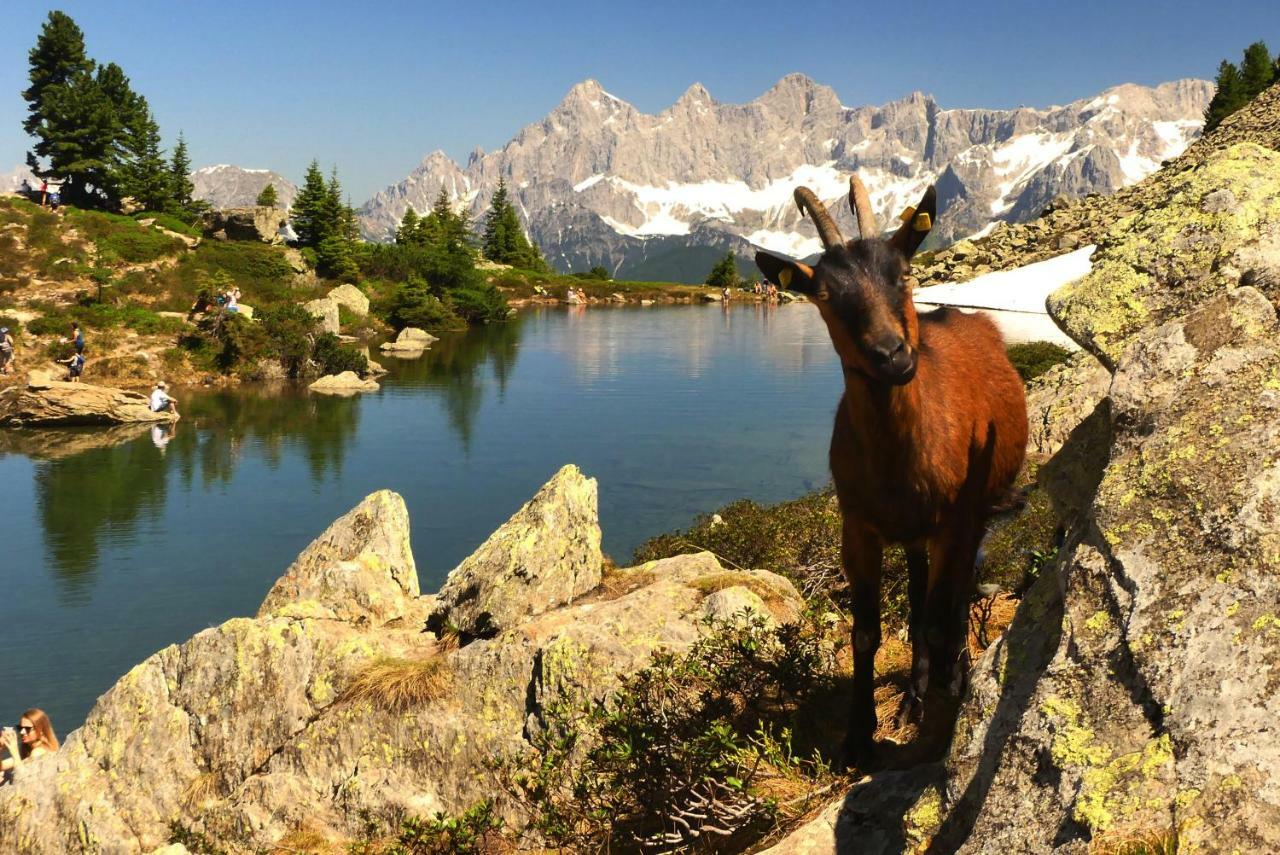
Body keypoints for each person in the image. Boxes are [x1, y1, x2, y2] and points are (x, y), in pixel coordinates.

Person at [1, 708, 59, 783]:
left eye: (27, 729)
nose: (22, 732)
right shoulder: (28, 751)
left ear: (41, 730)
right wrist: (1, 747)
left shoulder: (39, 752)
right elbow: (2, 766)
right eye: (20, 728)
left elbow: (23, 779)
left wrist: (14, 751)